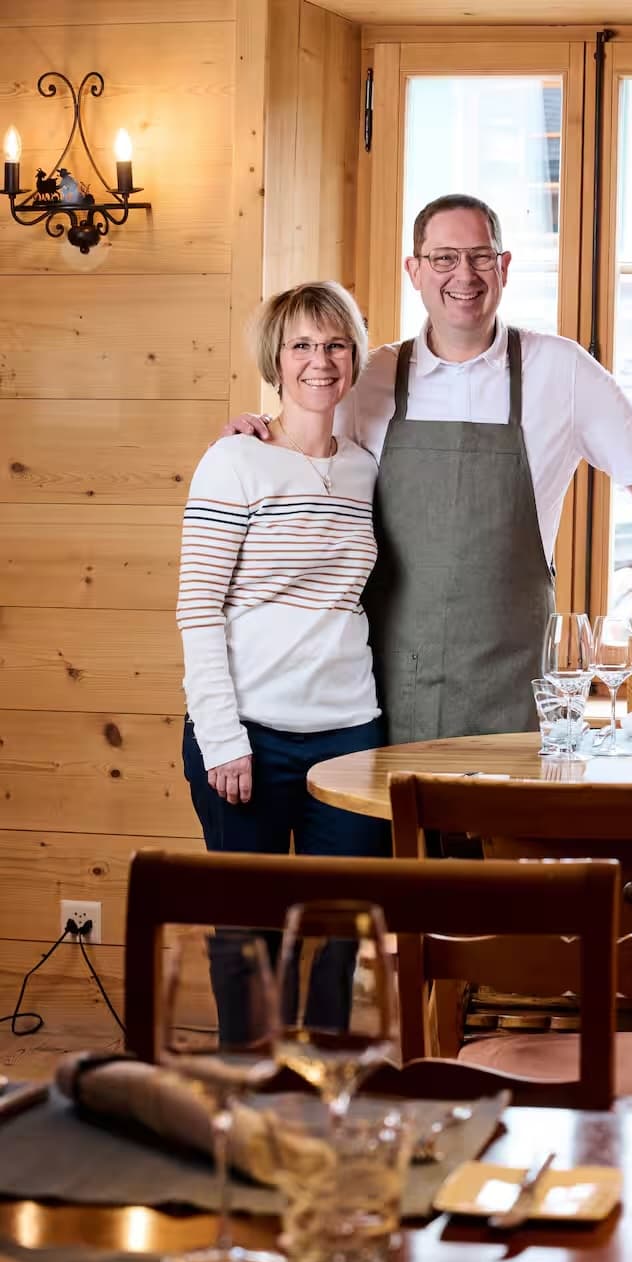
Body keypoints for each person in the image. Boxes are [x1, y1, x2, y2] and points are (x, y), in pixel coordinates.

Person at [222, 193, 632, 744]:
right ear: (414, 271)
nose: (464, 274)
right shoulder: (370, 377)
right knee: (392, 831)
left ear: (504, 267)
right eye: (443, 258)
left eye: (480, 257)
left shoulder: (560, 370)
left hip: (513, 680)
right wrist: (258, 432)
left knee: (504, 830)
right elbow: (302, 444)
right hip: (381, 681)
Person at [178, 280, 387, 1031]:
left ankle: (324, 1102)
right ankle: (251, 1098)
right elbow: (197, 609)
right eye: (301, 344)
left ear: (354, 356)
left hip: (351, 738)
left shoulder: (365, 469)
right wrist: (223, 739)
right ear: (276, 358)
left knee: (340, 939)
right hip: (250, 736)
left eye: (334, 344)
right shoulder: (233, 462)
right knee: (250, 939)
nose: (319, 360)